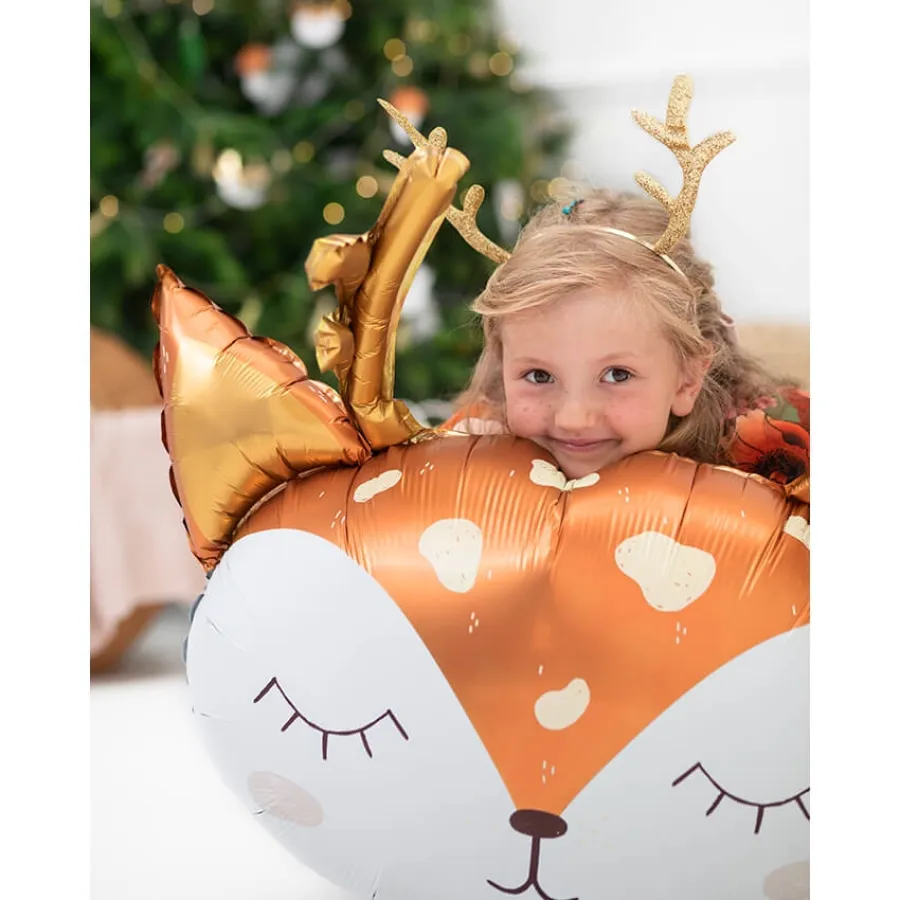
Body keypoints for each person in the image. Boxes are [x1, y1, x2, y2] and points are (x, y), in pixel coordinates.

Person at [445, 188, 809, 487]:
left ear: (687, 379)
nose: (574, 419)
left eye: (617, 374)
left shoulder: (782, 457)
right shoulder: (473, 446)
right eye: (539, 376)